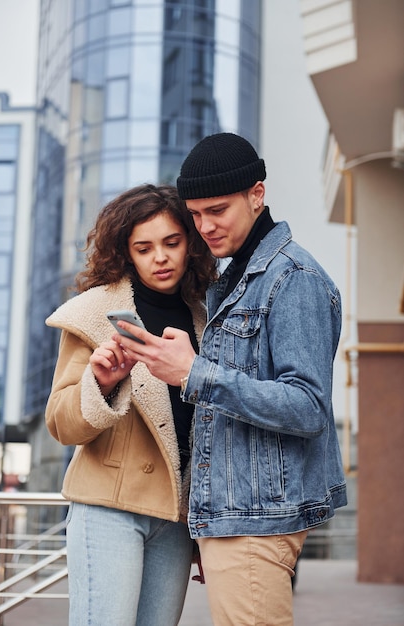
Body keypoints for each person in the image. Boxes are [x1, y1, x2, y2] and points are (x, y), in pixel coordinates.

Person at [113, 133, 348, 626]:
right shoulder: (236, 279)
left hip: (257, 522)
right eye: (195, 215)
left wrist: (194, 373)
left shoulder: (292, 278)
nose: (205, 227)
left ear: (256, 194)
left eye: (217, 210)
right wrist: (207, 523)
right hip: (234, 518)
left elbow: (308, 407)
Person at [44, 183, 217, 626]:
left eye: (172, 243)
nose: (160, 257)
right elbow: (60, 424)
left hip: (173, 521)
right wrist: (99, 384)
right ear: (127, 253)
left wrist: (202, 529)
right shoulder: (94, 314)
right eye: (144, 247)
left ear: (190, 246)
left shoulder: (205, 319)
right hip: (107, 510)